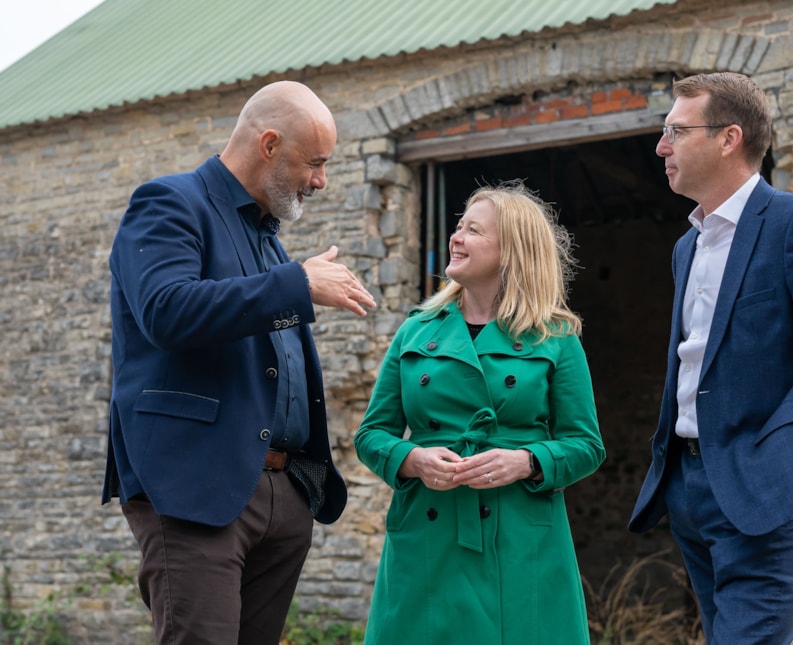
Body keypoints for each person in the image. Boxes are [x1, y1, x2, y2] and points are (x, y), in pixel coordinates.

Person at [628, 72, 793, 644]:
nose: (661, 146)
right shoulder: (688, 245)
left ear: (729, 138)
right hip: (689, 485)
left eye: (676, 130)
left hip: (767, 491)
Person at [102, 80, 376, 645]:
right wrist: (296, 282)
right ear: (269, 144)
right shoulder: (168, 203)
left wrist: (295, 493)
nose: (322, 181)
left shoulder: (267, 237)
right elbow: (166, 311)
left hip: (283, 490)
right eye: (315, 163)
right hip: (196, 488)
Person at [354, 182, 605, 644]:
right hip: (430, 529)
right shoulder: (415, 331)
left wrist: (527, 461)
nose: (456, 237)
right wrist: (413, 460)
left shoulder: (555, 337)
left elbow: (586, 445)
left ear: (512, 251)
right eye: (458, 227)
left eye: (473, 230)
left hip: (519, 535)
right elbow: (372, 434)